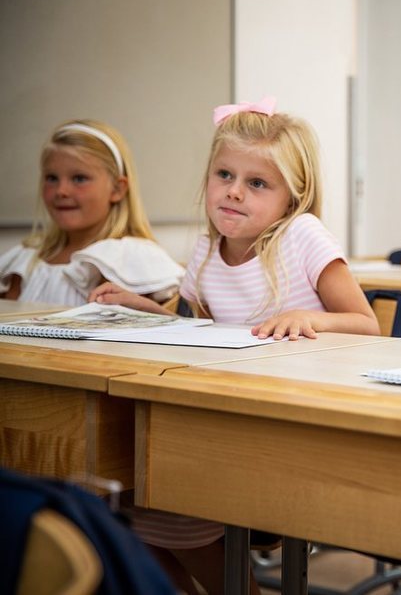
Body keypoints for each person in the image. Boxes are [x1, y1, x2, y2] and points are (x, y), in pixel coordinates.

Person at [90, 98, 380, 593]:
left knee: (167, 497)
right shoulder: (205, 248)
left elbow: (367, 325)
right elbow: (198, 331)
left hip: (295, 417)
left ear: (293, 196)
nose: (235, 192)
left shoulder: (303, 237)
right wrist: (147, 308)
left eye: (257, 183)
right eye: (224, 175)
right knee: (130, 497)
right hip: (228, 405)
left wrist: (306, 316)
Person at [0, 120, 183, 305]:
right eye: (51, 178)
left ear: (117, 189)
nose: (61, 191)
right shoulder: (26, 259)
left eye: (79, 178)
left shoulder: (130, 260)